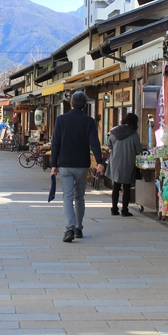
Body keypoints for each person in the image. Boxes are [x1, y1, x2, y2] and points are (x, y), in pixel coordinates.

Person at [50, 91, 104, 243]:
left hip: (65, 164)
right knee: (79, 197)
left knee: (67, 196)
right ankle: (79, 228)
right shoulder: (89, 121)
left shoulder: (61, 120)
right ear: (85, 105)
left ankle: (69, 228)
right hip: (82, 164)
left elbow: (56, 142)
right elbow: (94, 142)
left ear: (71, 104)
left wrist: (53, 164)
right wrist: (99, 161)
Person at [105, 113, 142, 217]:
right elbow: (138, 149)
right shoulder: (134, 134)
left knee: (116, 186)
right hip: (128, 162)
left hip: (115, 161)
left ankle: (114, 209)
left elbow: (109, 144)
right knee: (126, 186)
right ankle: (125, 210)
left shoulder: (114, 132)